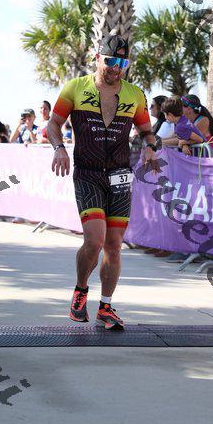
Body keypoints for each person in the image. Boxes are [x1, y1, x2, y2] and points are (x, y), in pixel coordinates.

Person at [47, 34, 160, 330]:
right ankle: (81, 290)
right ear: (97, 58)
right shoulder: (75, 87)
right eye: (110, 61)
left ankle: (106, 307)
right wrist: (59, 148)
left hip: (121, 174)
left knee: (114, 245)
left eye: (122, 63)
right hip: (88, 172)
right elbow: (53, 124)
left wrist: (150, 147)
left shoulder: (135, 94)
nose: (115, 68)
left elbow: (147, 131)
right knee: (95, 241)